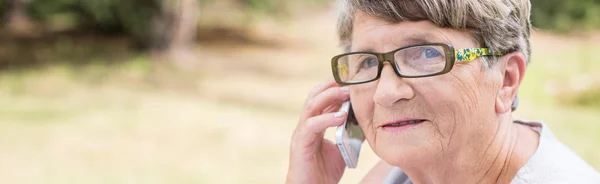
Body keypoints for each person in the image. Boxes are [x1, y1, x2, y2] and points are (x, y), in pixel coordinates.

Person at [286, 0, 600, 183]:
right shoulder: (401, 174)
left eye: (426, 54)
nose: (385, 93)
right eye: (368, 61)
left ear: (506, 79)